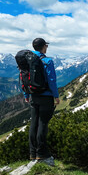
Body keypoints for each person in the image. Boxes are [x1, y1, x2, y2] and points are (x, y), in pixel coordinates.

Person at [24, 38, 60, 166]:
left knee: (34, 123)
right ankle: (42, 153)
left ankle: (32, 153)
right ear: (44, 47)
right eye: (46, 46)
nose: (47, 48)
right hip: (46, 96)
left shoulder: (28, 61)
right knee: (43, 124)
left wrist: (26, 94)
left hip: (33, 96)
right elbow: (52, 80)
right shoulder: (47, 61)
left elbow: (24, 78)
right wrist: (56, 96)